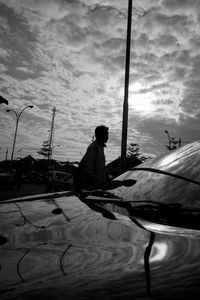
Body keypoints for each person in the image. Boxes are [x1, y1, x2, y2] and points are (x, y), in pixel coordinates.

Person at [76, 125, 109, 191]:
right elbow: (88, 170)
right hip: (93, 189)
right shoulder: (93, 148)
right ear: (101, 136)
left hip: (99, 188)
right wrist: (91, 187)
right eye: (106, 135)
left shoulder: (100, 149)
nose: (108, 137)